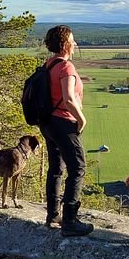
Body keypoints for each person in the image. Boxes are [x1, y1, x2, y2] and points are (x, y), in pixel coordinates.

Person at [40, 25, 94, 237]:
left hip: (48, 122)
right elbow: (69, 98)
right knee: (78, 167)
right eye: (72, 40)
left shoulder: (50, 63)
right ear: (65, 44)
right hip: (63, 122)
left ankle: (53, 214)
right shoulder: (66, 67)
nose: (75, 43)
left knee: (56, 168)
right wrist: (81, 119)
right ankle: (70, 221)